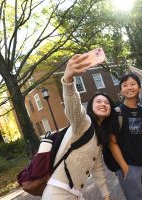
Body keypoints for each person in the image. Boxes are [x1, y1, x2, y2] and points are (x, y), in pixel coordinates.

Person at [42, 50, 111, 200]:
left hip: (75, 193)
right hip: (57, 193)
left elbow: (98, 168)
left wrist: (106, 194)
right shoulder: (83, 122)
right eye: (98, 101)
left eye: (106, 102)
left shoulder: (100, 135)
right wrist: (68, 80)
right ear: (91, 106)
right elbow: (73, 106)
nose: (103, 104)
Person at [109, 73, 142, 200]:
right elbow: (112, 142)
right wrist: (125, 167)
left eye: (133, 84)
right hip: (130, 167)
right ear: (121, 90)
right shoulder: (116, 113)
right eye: (125, 85)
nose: (129, 88)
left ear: (139, 87)